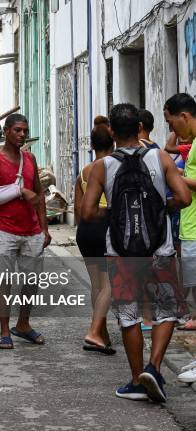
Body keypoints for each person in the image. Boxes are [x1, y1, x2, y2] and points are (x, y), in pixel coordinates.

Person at [82, 103, 191, 402]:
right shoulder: (160, 157)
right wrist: (161, 206)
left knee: (129, 315)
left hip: (121, 252)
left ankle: (136, 380)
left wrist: (114, 212)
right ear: (140, 129)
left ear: (113, 132)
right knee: (167, 311)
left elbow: (87, 212)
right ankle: (154, 367)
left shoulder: (102, 167)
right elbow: (183, 197)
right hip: (161, 248)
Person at [0, 113, 51, 350]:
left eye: (25, 130)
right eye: (17, 130)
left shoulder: (30, 159)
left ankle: (23, 324)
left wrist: (44, 228)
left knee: (32, 281)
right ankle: (4, 331)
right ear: (6, 131)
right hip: (5, 230)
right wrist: (19, 190)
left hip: (31, 230)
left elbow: (39, 196)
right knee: (4, 281)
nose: (22, 134)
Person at [74, 116, 115, 355]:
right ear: (114, 144)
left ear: (92, 145)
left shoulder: (84, 171)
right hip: (105, 229)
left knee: (96, 286)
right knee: (110, 285)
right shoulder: (112, 167)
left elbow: (78, 210)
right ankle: (94, 330)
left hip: (86, 232)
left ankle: (103, 333)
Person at [164, 93, 196, 334]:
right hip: (189, 222)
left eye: (171, 122)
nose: (171, 128)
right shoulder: (192, 142)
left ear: (184, 116)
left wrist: (177, 178)